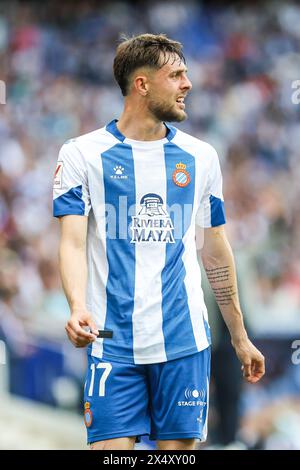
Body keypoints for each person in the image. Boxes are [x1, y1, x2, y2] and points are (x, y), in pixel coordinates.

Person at [53, 33, 265, 451]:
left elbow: (215, 248)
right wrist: (78, 306)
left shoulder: (201, 156)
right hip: (112, 342)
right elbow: (73, 243)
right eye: (177, 75)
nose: (188, 84)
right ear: (142, 84)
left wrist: (239, 337)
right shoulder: (82, 154)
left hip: (184, 341)